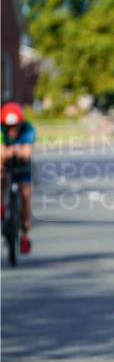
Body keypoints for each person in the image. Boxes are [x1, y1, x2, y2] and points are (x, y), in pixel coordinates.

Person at [1, 102, 36, 254]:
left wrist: (12, 151)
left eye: (15, 126)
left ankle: (25, 235)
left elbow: (26, 153)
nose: (11, 130)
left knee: (26, 195)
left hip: (23, 167)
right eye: (8, 127)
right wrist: (14, 150)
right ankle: (2, 204)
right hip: (5, 165)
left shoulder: (28, 129)